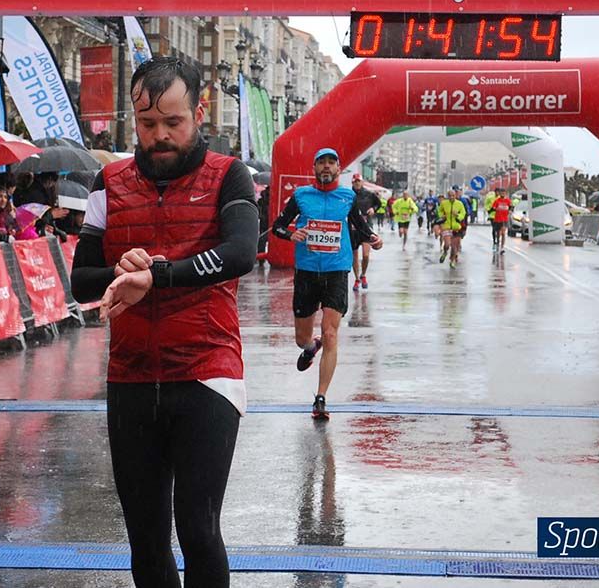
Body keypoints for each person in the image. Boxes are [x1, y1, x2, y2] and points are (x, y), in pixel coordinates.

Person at [70, 57, 257, 588]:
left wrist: (157, 274)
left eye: (173, 122)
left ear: (199, 112)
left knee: (198, 529)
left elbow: (242, 252)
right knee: (146, 540)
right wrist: (121, 271)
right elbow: (81, 281)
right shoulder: (108, 181)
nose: (160, 136)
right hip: (131, 376)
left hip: (207, 371)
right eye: (147, 123)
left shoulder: (229, 175)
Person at [272, 148, 381, 420]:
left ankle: (320, 398)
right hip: (307, 272)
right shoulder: (301, 196)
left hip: (336, 271)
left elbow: (361, 226)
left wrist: (374, 239)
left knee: (331, 333)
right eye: (321, 162)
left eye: (331, 163)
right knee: (301, 339)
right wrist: (291, 234)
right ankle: (311, 347)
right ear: (314, 168)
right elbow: (278, 226)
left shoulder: (347, 196)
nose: (326, 167)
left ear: (338, 169)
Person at [350, 174, 381, 291]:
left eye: (359, 181)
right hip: (353, 228)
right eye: (355, 182)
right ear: (352, 183)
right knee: (354, 256)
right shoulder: (349, 195)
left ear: (362, 182)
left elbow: (378, 204)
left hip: (366, 227)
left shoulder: (369, 194)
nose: (357, 183)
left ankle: (363, 274)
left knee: (366, 255)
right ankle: (357, 279)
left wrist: (373, 209)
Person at [438, 188, 467, 268]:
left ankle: (452, 261)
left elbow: (463, 213)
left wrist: (457, 216)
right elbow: (439, 210)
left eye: (453, 195)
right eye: (450, 196)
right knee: (447, 244)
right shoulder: (444, 203)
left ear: (455, 196)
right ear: (447, 196)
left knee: (454, 247)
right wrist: (442, 216)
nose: (451, 197)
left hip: (456, 227)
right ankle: (445, 252)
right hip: (446, 226)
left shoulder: (459, 204)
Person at [490, 187, 513, 255]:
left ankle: (502, 248)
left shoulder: (508, 201)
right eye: (501, 193)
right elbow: (493, 208)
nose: (503, 194)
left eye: (504, 193)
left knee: (503, 233)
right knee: (498, 234)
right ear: (500, 193)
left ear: (505, 193)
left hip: (504, 219)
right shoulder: (497, 201)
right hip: (498, 219)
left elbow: (511, 207)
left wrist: (510, 210)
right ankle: (497, 243)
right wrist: (494, 209)